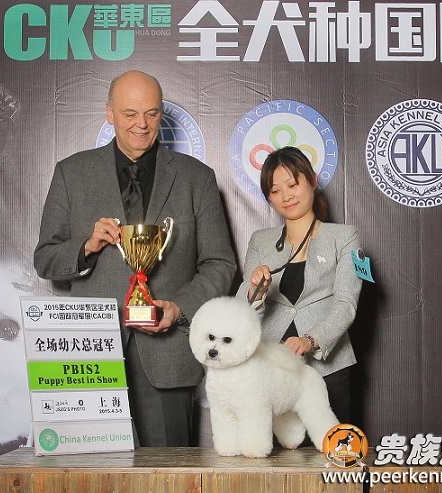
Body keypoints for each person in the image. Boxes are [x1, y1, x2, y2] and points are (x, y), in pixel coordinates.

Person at [34, 70, 237, 447]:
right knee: (93, 472)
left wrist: (179, 308)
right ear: (109, 113)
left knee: (169, 473)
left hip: (168, 356)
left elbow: (220, 264)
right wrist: (87, 246)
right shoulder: (71, 173)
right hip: (90, 357)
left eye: (152, 113)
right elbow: (45, 259)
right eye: (129, 114)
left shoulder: (197, 178)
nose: (141, 124)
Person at [236, 146, 362, 423]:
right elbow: (242, 311)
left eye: (293, 185)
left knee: (333, 447)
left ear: (313, 181)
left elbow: (346, 304)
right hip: (271, 370)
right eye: (275, 190)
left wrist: (310, 340)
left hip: (328, 369)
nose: (286, 196)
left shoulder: (345, 237)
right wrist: (255, 289)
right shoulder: (260, 241)